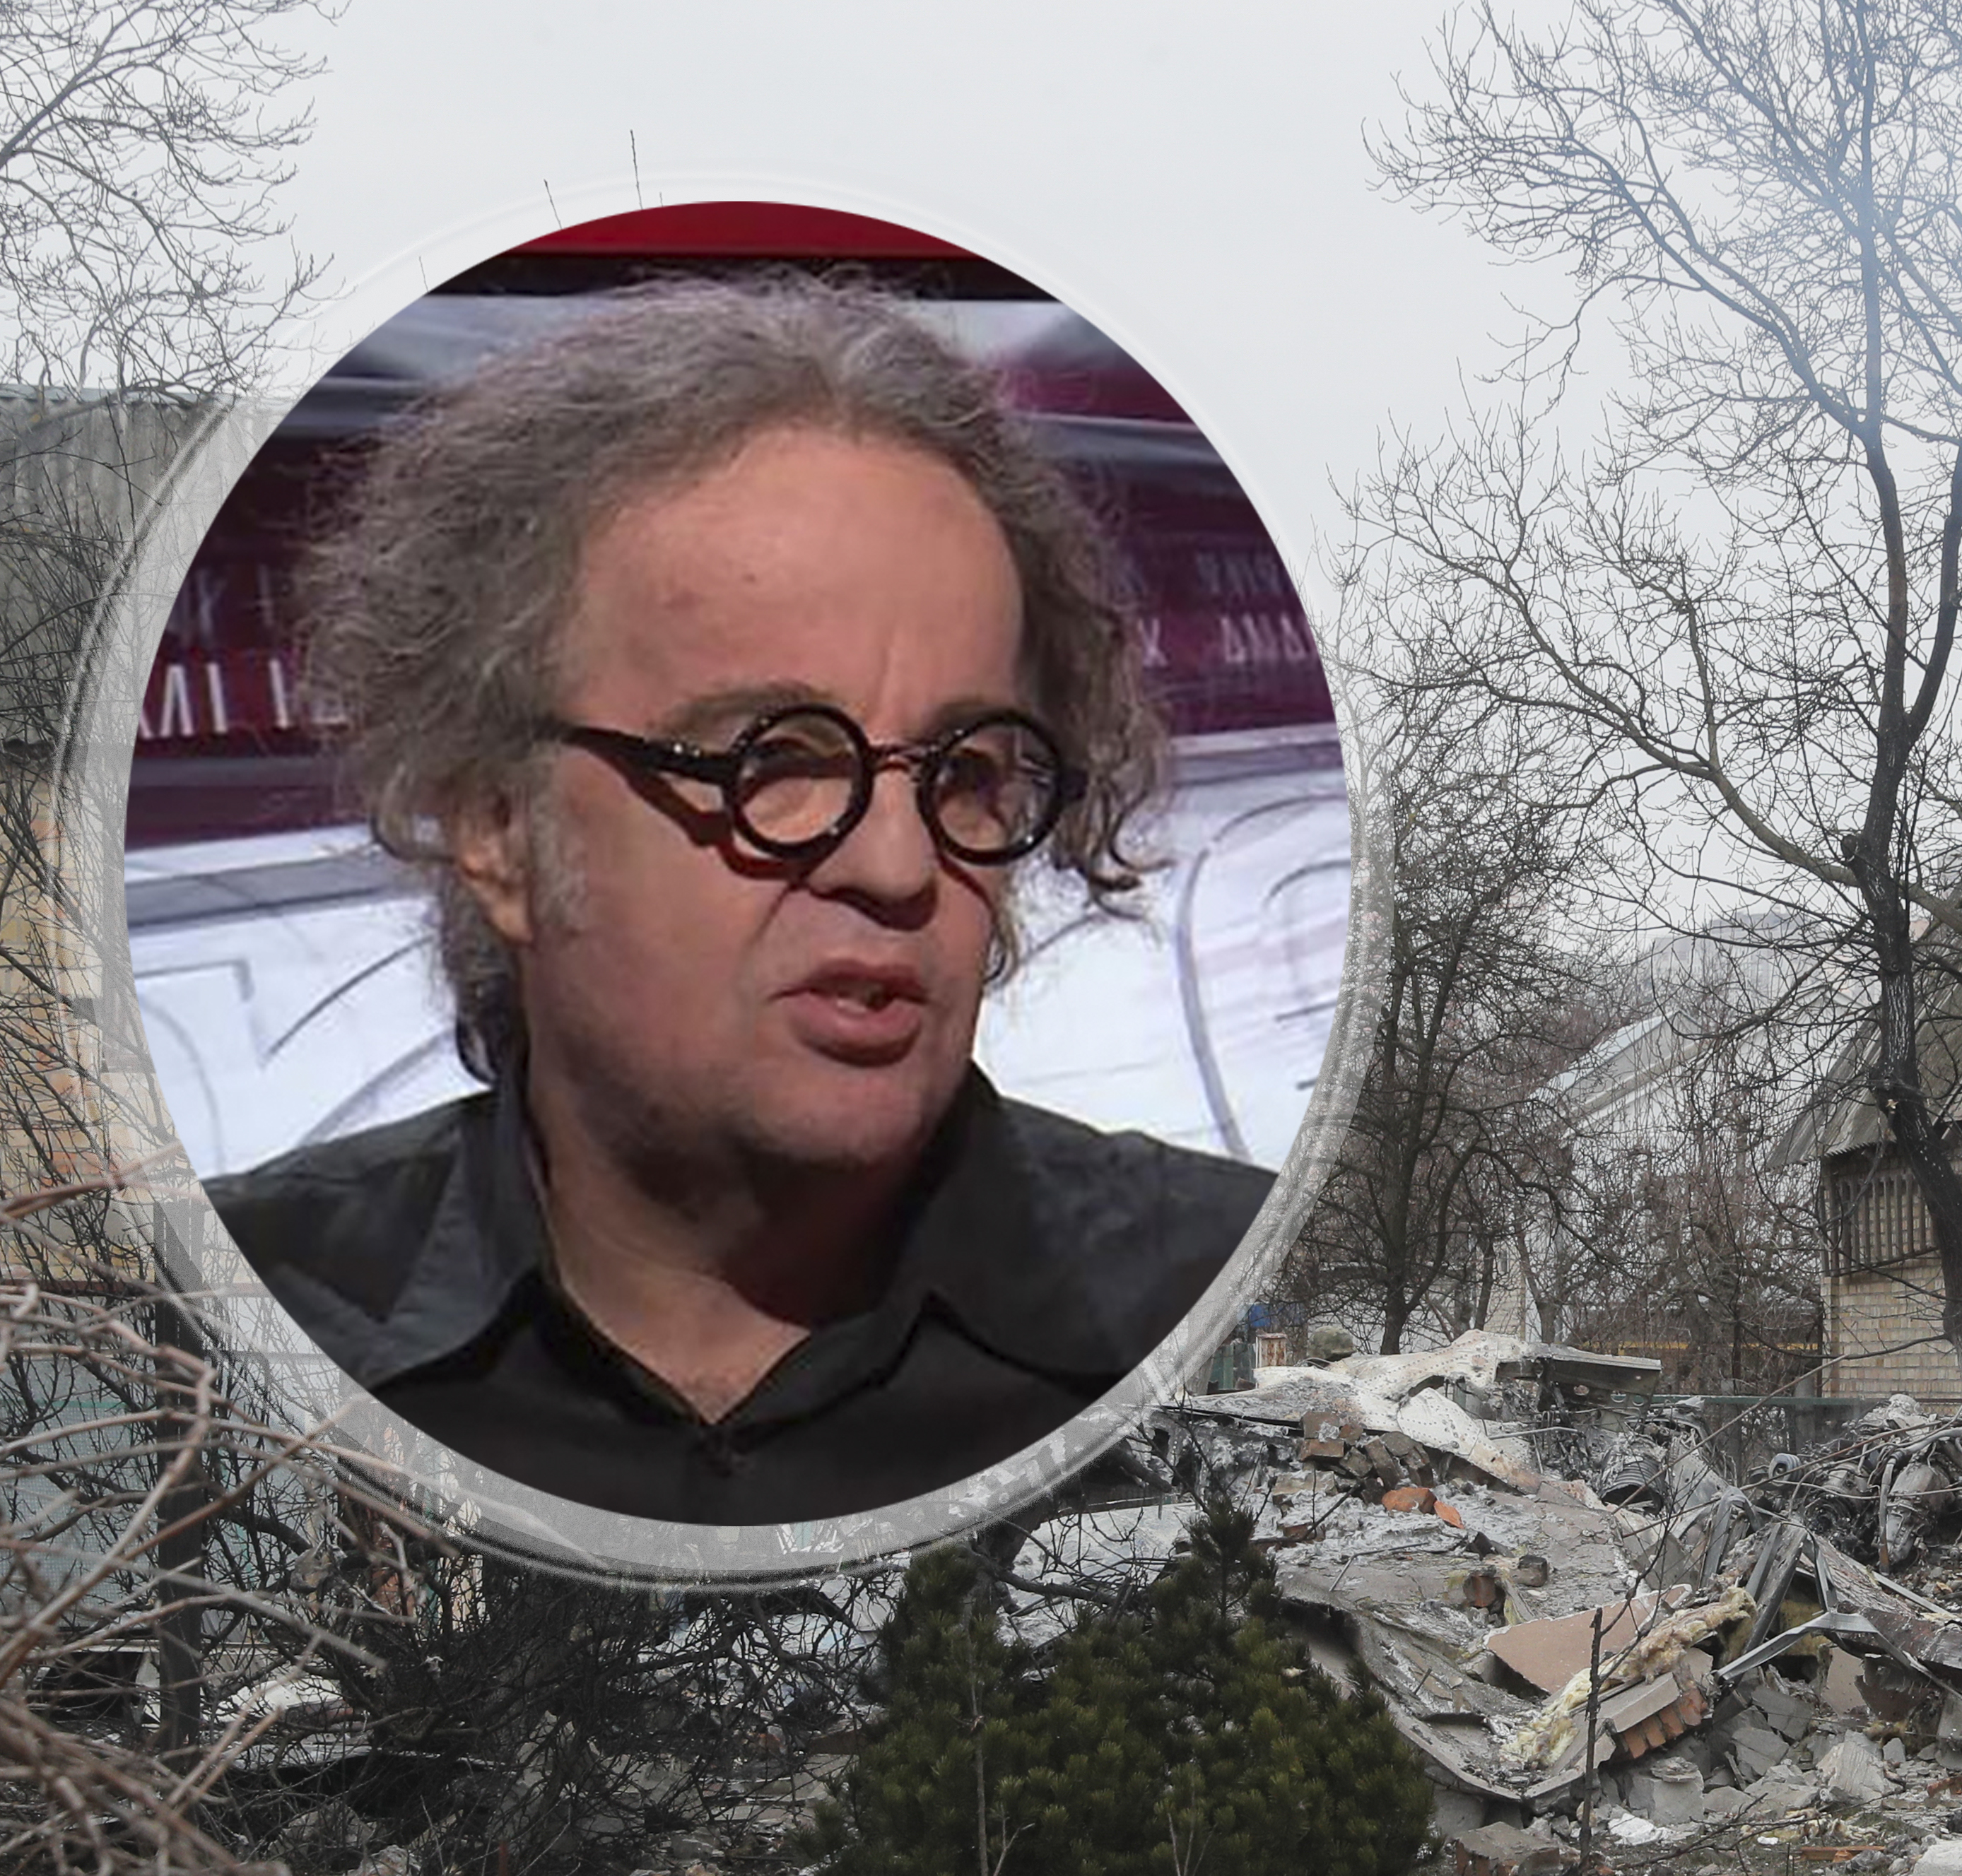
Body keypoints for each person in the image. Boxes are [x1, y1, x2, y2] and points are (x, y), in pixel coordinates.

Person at [206, 281, 1269, 1526]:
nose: (894, 866)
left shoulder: (1217, 1306)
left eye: (966, 772)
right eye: (770, 760)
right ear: (499, 829)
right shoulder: (232, 1331)